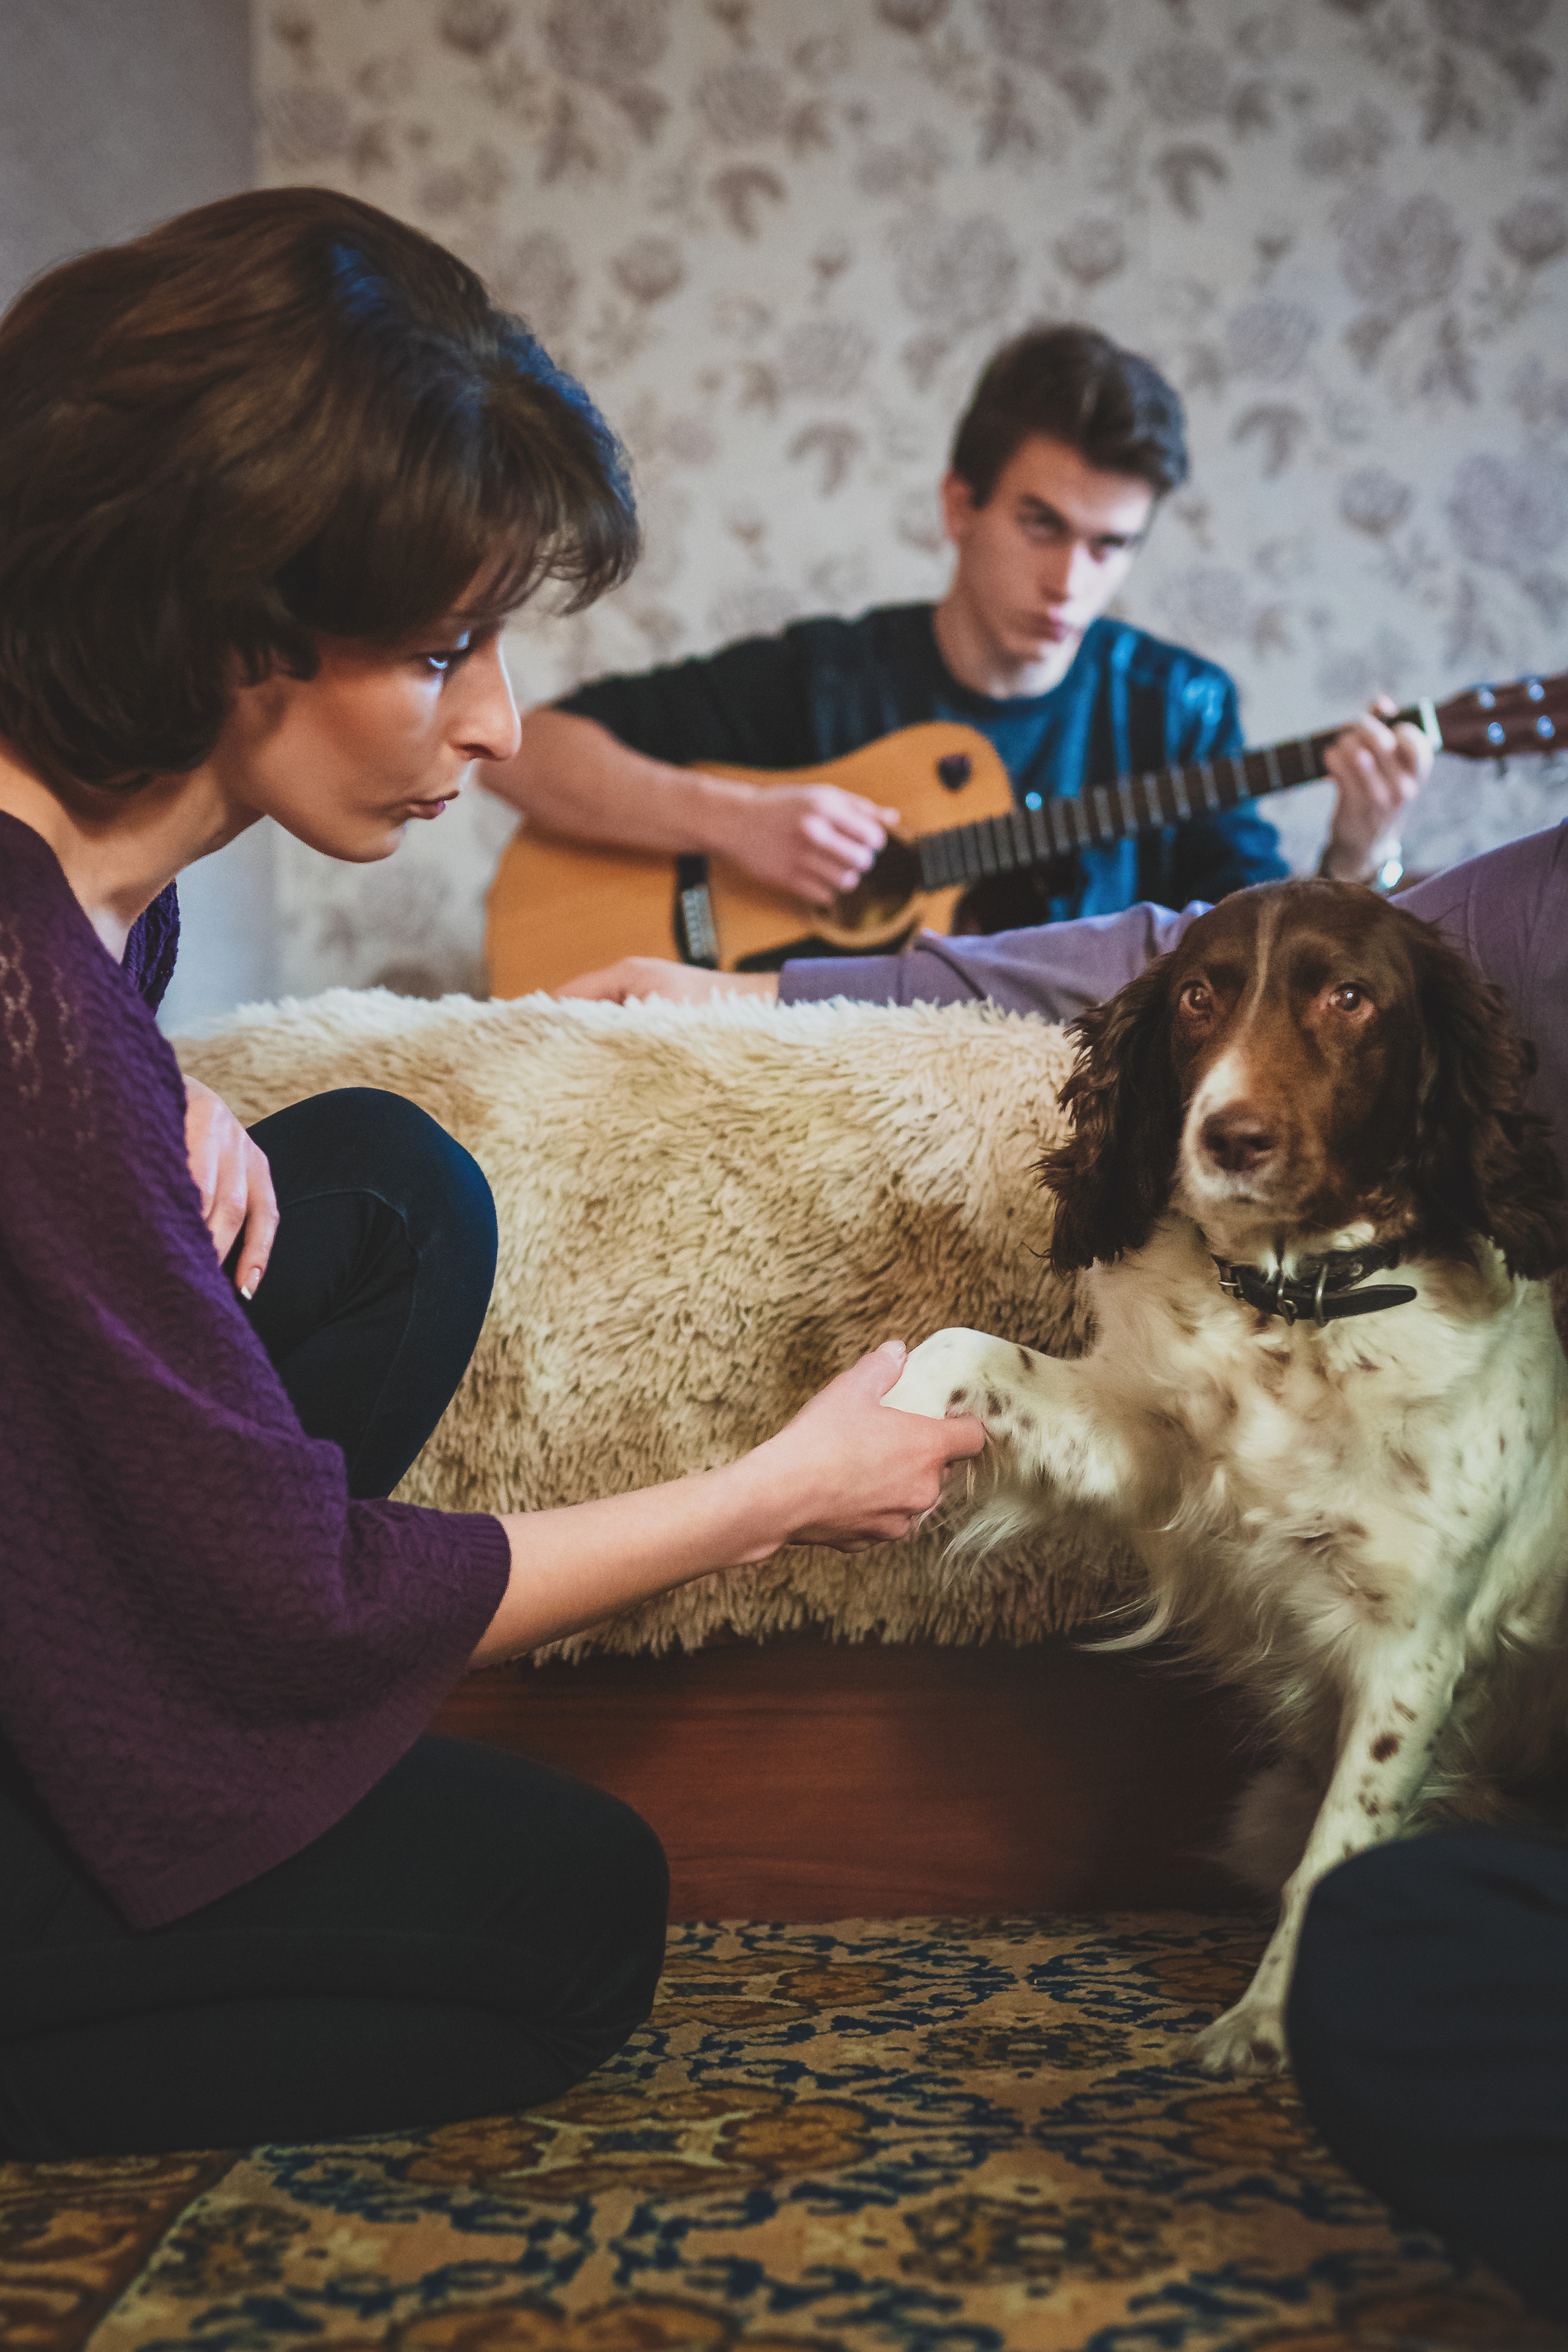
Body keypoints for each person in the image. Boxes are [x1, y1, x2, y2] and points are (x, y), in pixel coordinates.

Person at [0, 187, 986, 2161]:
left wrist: (142, 1078)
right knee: (575, 1923)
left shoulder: (80, 878)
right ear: (225, 621)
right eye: (447, 647)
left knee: (378, 1187)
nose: (500, 722)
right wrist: (779, 1492)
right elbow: (311, 1604)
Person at [579, 826, 1568, 2323]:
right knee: (1322, 1878)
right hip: (1367, 1778)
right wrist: (764, 989)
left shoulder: (1480, 1341)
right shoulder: (1527, 896)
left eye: (1336, 1010)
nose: (1244, 1089)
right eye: (1210, 1018)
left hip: (1500, 1751)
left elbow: (1408, 1659)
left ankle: (1345, 1954)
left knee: (1363, 1951)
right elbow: (1176, 950)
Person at [481, 325, 1427, 941]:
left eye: (1112, 546)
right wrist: (736, 823)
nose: (1070, 581)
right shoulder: (832, 676)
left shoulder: (1178, 710)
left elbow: (1256, 951)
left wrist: (1356, 858)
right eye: (1041, 524)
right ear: (959, 505)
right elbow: (524, 757)